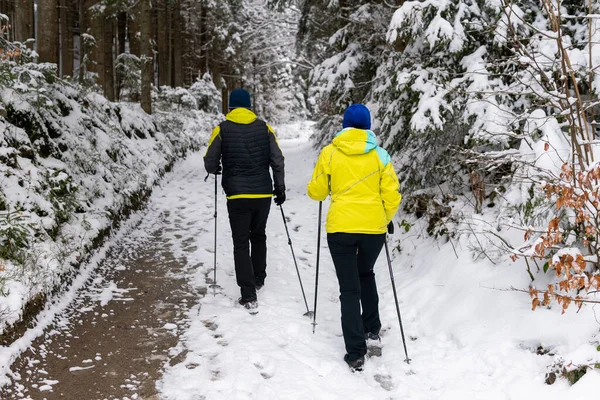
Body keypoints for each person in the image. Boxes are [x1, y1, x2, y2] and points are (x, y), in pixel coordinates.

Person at [307, 104, 401, 371]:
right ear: (368, 126)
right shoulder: (381, 155)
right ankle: (372, 328)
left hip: (341, 228)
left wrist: (317, 187)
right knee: (366, 272)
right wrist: (385, 217)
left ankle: (356, 353)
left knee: (349, 288)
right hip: (373, 229)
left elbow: (317, 192)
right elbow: (392, 194)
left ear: (344, 125)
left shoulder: (330, 153)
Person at [204, 88, 285, 310]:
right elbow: (277, 160)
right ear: (250, 107)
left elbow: (210, 162)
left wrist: (217, 167)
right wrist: (280, 188)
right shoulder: (264, 128)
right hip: (262, 194)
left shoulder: (221, 129)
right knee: (258, 235)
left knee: (241, 242)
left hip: (237, 194)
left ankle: (248, 295)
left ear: (230, 107)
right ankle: (259, 278)